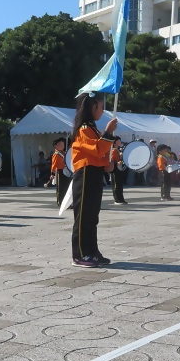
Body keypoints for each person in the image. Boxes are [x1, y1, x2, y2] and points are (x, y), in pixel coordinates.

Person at [70, 92, 117, 268]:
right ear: (92, 107)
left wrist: (108, 163)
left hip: (94, 173)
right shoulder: (83, 129)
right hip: (85, 174)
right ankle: (80, 254)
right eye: (101, 107)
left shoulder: (92, 128)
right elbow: (96, 149)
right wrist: (109, 132)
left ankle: (92, 251)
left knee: (91, 216)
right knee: (83, 216)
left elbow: (100, 153)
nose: (102, 111)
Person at [50, 137, 71, 207]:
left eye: (63, 144)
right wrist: (52, 173)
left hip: (66, 171)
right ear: (55, 146)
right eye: (60, 144)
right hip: (60, 172)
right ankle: (60, 202)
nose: (62, 145)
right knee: (61, 188)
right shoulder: (56, 154)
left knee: (67, 188)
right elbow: (54, 164)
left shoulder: (64, 153)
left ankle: (66, 203)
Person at [110, 137, 127, 204]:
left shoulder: (118, 150)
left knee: (120, 185)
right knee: (116, 185)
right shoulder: (113, 150)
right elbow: (111, 160)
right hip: (115, 169)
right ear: (115, 142)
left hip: (119, 168)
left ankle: (121, 199)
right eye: (119, 141)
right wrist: (117, 163)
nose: (120, 142)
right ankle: (117, 199)